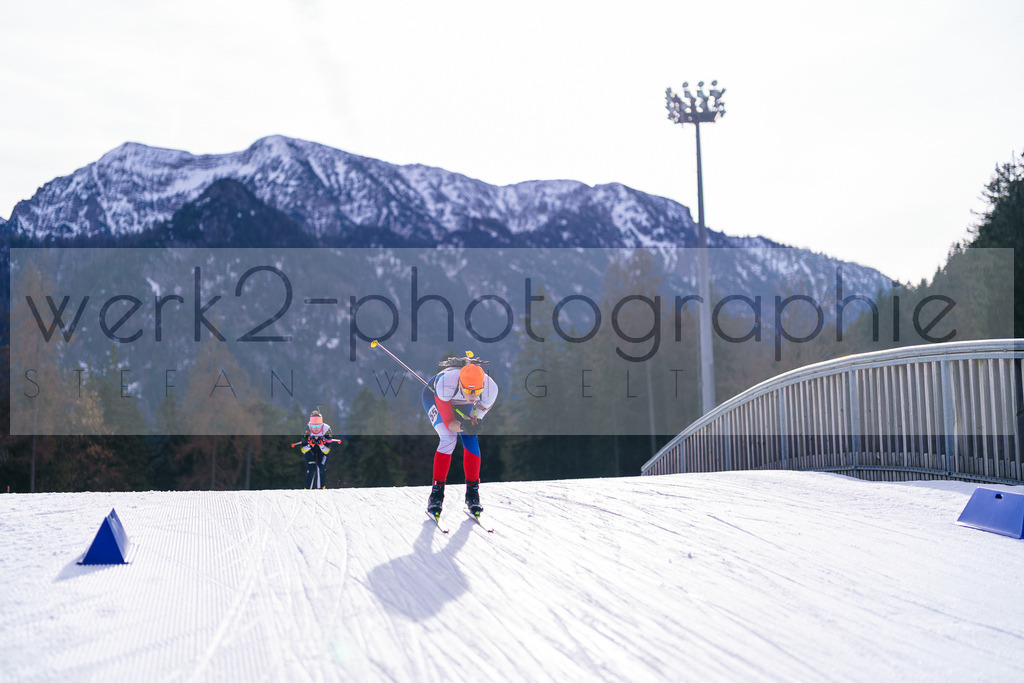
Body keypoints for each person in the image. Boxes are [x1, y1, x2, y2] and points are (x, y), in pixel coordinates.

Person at [423, 360, 498, 516]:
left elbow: (475, 417)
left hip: (461, 404)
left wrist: (472, 425)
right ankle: (436, 494)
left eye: (477, 391)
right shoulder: (445, 385)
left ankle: (472, 494)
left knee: (471, 439)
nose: (473, 396)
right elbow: (450, 423)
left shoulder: (491, 390)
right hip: (436, 398)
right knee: (448, 439)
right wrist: (463, 425)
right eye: (469, 391)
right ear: (460, 384)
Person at [300, 410, 338, 489]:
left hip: (322, 450)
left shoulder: (327, 429)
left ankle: (321, 489)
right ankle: (307, 490)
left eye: (318, 426)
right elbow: (303, 450)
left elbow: (327, 450)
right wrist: (310, 445)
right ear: (311, 425)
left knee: (321, 468)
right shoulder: (307, 429)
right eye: (313, 426)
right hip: (311, 450)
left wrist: (321, 445)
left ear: (322, 424)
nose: (316, 428)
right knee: (311, 469)